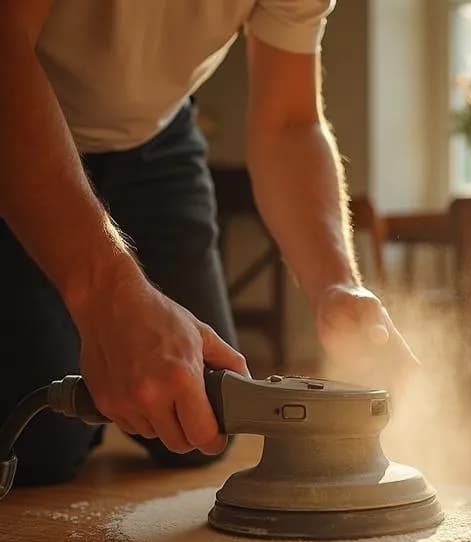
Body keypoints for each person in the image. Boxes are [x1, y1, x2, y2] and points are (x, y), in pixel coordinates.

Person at [0, 1, 418, 486]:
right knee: (40, 448)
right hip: (24, 114)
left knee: (201, 422)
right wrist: (105, 294)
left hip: (158, 139)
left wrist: (335, 282)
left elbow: (289, 123)